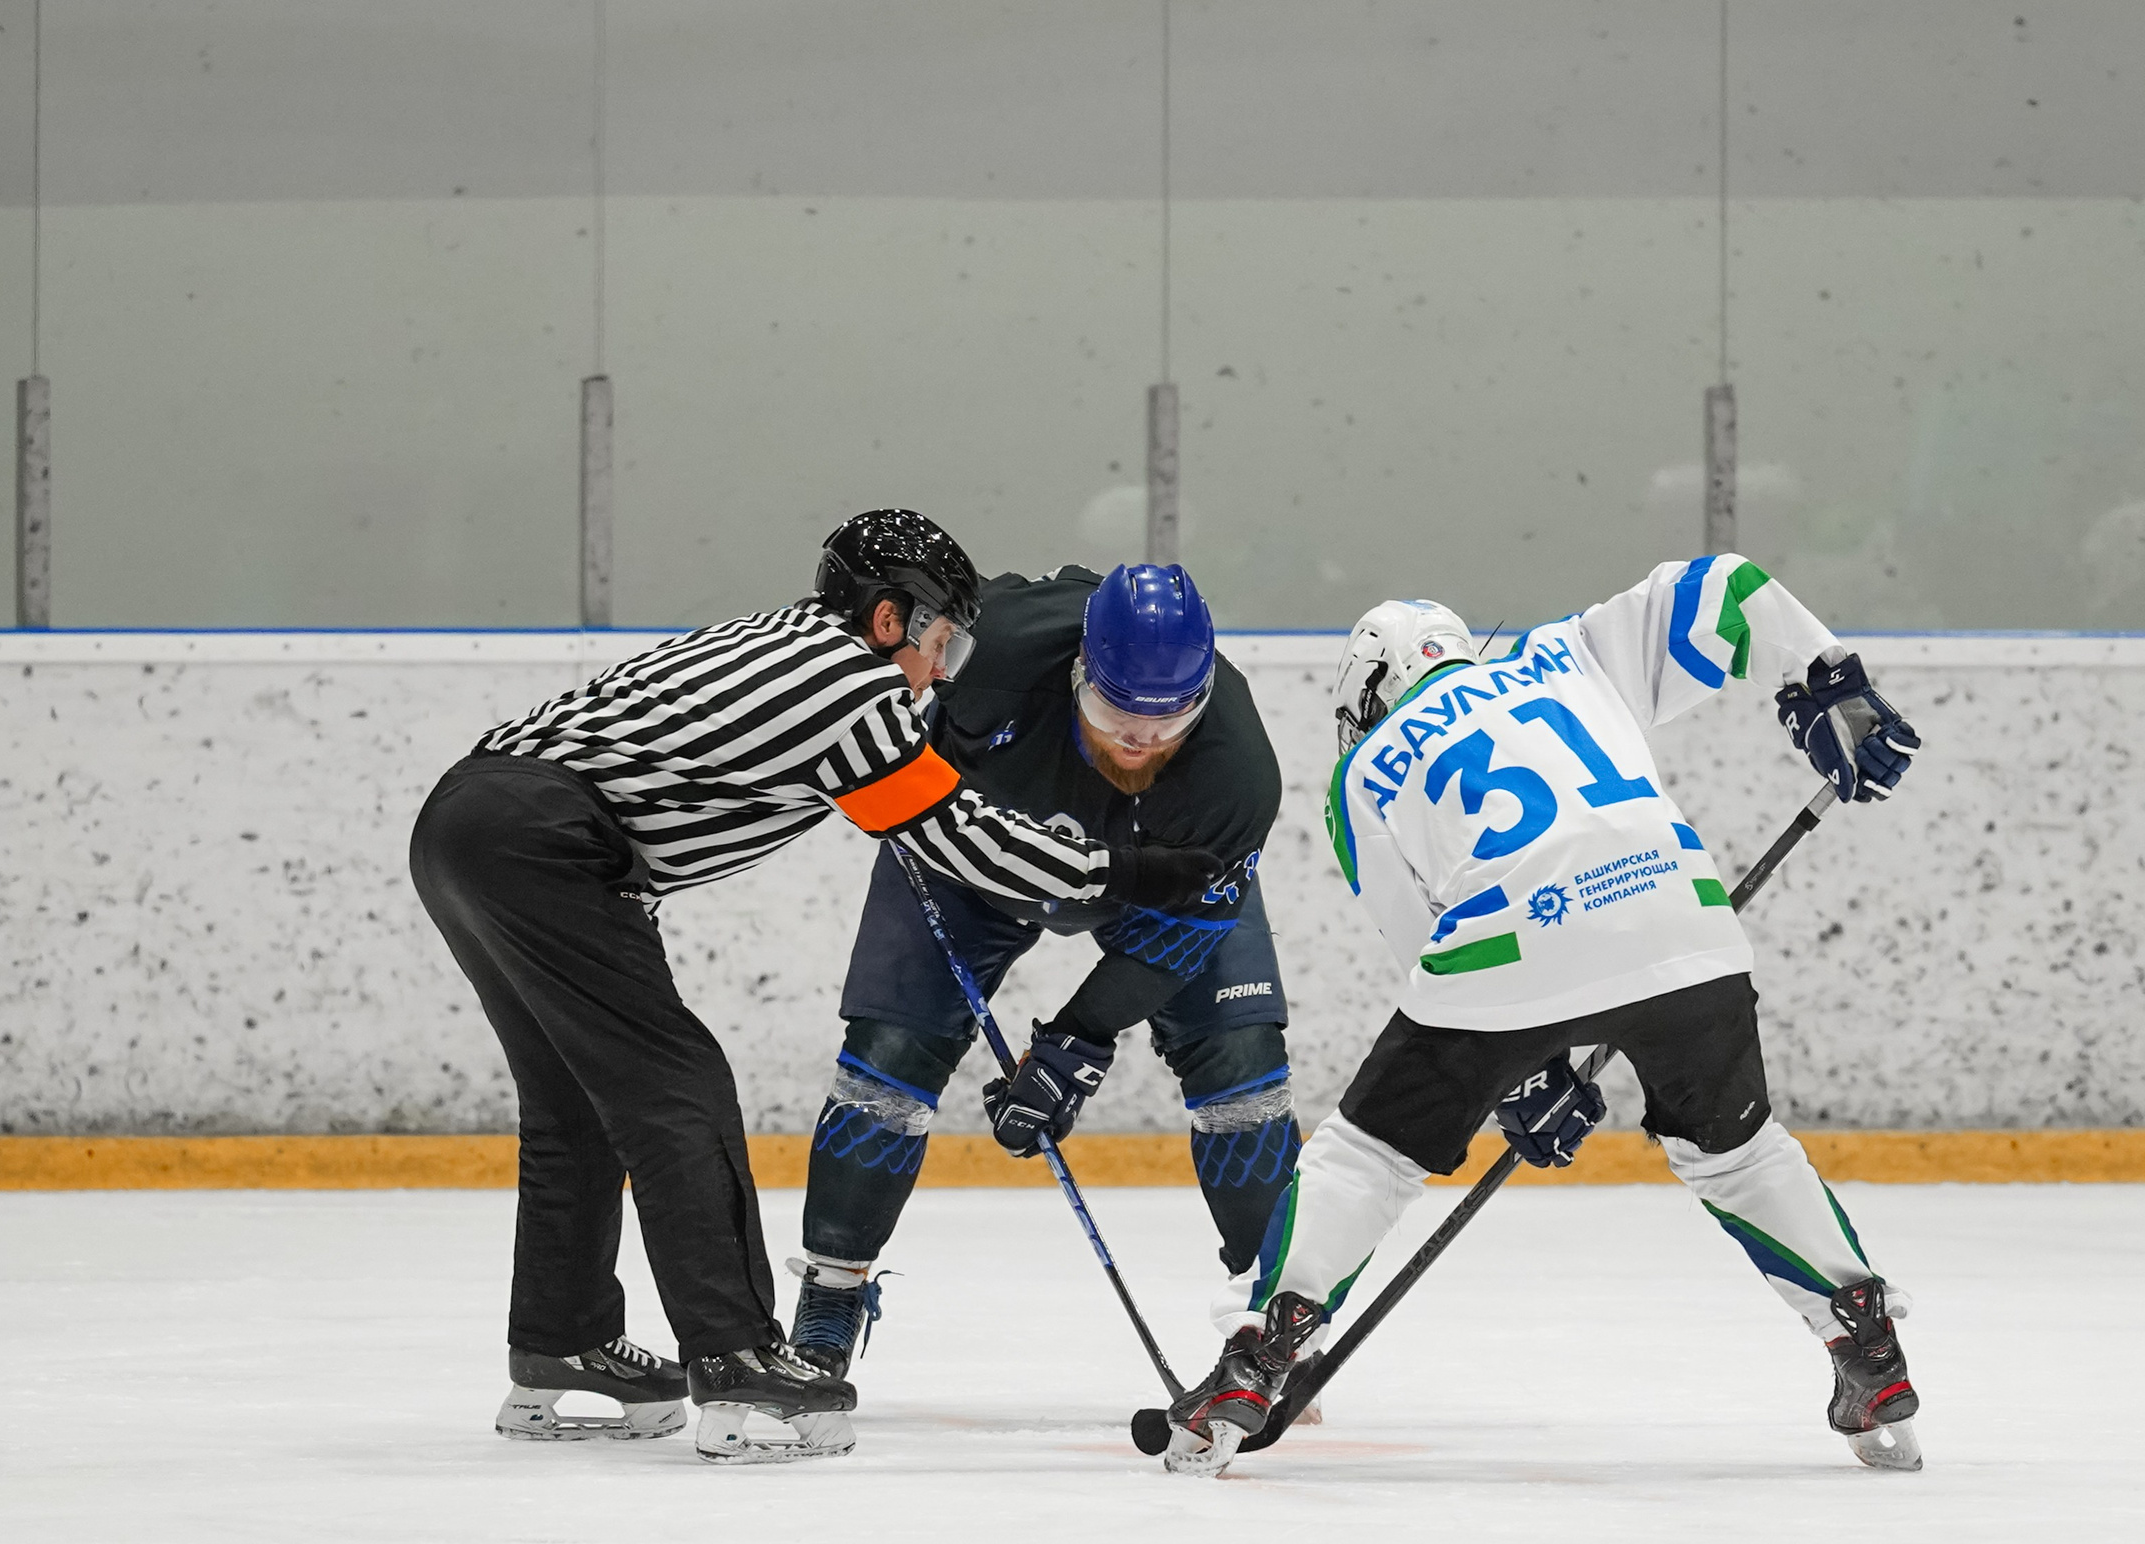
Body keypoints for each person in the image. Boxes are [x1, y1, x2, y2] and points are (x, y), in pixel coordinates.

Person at [409, 511, 1222, 1464]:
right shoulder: (852, 686)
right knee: (681, 1089)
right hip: (543, 845)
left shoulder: (784, 640)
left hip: (468, 824)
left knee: (577, 1104)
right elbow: (956, 837)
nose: (941, 670)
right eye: (942, 643)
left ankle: (561, 1342)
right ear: (889, 621)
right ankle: (738, 1355)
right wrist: (1118, 873)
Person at [1162, 554, 1926, 1476]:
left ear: (1372, 690)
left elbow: (1422, 944)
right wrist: (1828, 684)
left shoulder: (1361, 772)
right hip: (1683, 913)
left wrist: (1523, 1073)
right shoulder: (1564, 653)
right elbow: (1728, 586)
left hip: (1503, 946)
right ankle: (1865, 1344)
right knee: (1740, 1149)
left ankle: (1260, 1351)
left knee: (1369, 1154)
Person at [784, 563, 1299, 1410]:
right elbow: (867, 673)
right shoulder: (996, 649)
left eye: (1167, 721)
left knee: (1240, 1061)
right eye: (1114, 714)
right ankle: (829, 1300)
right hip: (973, 864)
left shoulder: (1238, 773)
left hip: (1166, 883)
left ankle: (1276, 1328)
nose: (1137, 741)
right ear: (1077, 675)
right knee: (889, 1055)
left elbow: (1182, 940)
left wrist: (1079, 1037)